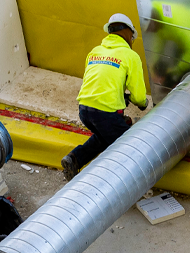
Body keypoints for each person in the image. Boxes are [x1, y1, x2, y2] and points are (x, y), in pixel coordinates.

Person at [61, 12, 148, 181]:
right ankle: (120, 181)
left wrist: (121, 97)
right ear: (128, 33)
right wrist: (143, 104)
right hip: (105, 112)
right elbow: (139, 96)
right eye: (132, 37)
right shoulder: (130, 56)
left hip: (84, 110)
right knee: (130, 146)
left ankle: (74, 158)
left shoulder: (95, 51)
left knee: (104, 136)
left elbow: (99, 83)